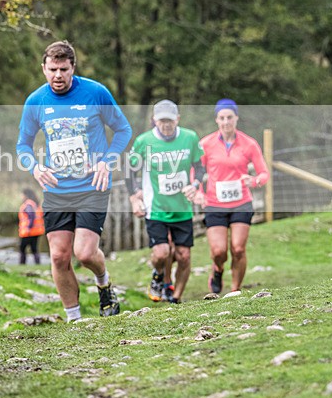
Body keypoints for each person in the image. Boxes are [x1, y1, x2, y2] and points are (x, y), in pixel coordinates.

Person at [16, 41, 132, 321]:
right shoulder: (36, 101)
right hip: (57, 190)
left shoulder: (95, 92)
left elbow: (123, 130)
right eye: (52, 69)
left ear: (73, 68)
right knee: (58, 256)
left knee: (85, 253)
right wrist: (35, 168)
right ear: (43, 69)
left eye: (64, 70)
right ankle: (74, 319)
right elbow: (23, 145)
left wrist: (107, 161)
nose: (58, 75)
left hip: (92, 187)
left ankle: (104, 283)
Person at [127, 100, 204, 304]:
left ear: (177, 119)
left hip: (182, 207)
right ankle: (158, 274)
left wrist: (195, 185)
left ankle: (175, 297)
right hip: (156, 207)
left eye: (170, 121)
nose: (166, 125)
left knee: (184, 256)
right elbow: (130, 170)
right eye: (162, 121)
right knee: (162, 253)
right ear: (154, 120)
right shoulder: (144, 141)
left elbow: (200, 166)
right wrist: (134, 196)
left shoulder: (190, 137)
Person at [195, 99, 269, 295]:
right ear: (216, 120)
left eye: (229, 117)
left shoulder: (249, 143)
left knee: (238, 249)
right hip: (214, 203)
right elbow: (195, 171)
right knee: (219, 251)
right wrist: (199, 192)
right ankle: (218, 269)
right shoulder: (206, 144)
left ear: (236, 118)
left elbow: (264, 173)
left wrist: (254, 181)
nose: (226, 122)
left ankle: (235, 290)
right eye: (222, 118)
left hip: (241, 203)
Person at [18, 188, 44, 265]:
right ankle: (37, 263)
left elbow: (31, 215)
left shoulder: (28, 204)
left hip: (28, 232)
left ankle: (22, 264)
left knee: (22, 248)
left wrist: (29, 227)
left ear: (26, 195)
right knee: (34, 248)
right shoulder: (34, 204)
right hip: (36, 231)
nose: (21, 196)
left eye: (22, 195)